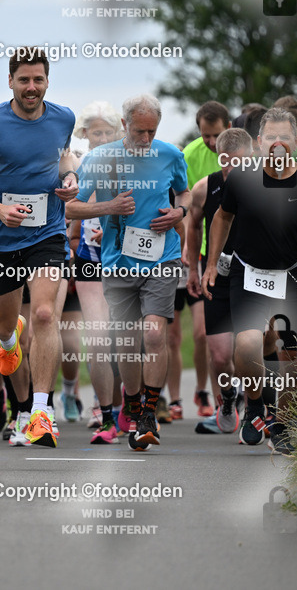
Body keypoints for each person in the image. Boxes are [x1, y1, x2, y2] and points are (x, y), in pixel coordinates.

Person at [0, 47, 78, 448]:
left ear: (47, 81)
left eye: (38, 79)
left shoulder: (63, 117)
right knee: (5, 330)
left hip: (47, 232)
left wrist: (72, 175)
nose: (31, 87)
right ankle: (14, 363)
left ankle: (41, 412)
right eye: (24, 80)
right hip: (1, 238)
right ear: (10, 81)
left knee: (45, 314)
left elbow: (62, 157)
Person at [201, 107, 297, 452]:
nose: (278, 144)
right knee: (246, 346)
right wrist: (212, 264)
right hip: (249, 273)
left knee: (295, 359)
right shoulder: (242, 179)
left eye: (285, 138)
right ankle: (256, 405)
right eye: (271, 138)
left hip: (292, 275)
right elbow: (221, 218)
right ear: (260, 142)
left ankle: (284, 424)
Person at [68, 94, 190, 451]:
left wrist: (179, 214)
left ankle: (149, 413)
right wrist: (110, 206)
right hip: (118, 262)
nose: (146, 139)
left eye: (152, 131)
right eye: (139, 131)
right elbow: (72, 208)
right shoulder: (98, 159)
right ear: (125, 126)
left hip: (162, 257)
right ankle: (133, 403)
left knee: (154, 334)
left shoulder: (170, 154)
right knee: (127, 341)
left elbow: (184, 194)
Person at [185, 128, 254, 434]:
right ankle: (228, 397)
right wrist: (193, 270)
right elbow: (193, 226)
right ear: (220, 158)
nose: (233, 168)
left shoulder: (263, 187)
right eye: (228, 162)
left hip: (252, 275)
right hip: (215, 274)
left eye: (241, 162)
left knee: (249, 349)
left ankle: (255, 410)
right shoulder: (204, 188)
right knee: (221, 355)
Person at [66, 101, 125, 444]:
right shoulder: (82, 164)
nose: (102, 138)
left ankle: (132, 407)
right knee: (99, 340)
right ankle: (105, 414)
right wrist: (75, 244)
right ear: (85, 135)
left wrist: (114, 228)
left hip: (127, 259)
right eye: (96, 132)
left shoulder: (130, 163)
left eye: (108, 132)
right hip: (90, 258)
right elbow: (74, 211)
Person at [181, 101, 231, 418]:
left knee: (243, 343)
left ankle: (247, 400)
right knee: (204, 335)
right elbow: (190, 210)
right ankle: (214, 400)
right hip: (203, 253)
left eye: (215, 135)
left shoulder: (244, 154)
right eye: (205, 136)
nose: (211, 143)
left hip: (240, 257)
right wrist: (191, 258)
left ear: (228, 128)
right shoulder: (190, 155)